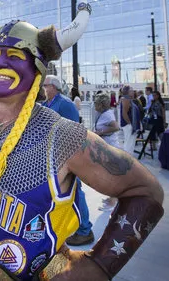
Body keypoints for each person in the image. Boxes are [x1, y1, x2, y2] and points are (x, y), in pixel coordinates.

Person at [0, 15, 164, 280]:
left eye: (13, 55)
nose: (0, 62)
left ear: (37, 69)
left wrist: (101, 264)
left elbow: (146, 190)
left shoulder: (62, 136)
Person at [43, 76, 94, 247]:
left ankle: (85, 230)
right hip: (53, 155)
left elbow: (74, 130)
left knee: (76, 190)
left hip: (67, 155)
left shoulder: (64, 103)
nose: (43, 87)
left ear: (54, 87)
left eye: (46, 85)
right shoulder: (47, 104)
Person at [93, 93, 121, 211]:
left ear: (101, 104)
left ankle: (113, 202)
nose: (94, 105)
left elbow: (116, 127)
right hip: (107, 148)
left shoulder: (108, 115)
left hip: (111, 148)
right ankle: (112, 198)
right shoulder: (104, 114)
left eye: (96, 103)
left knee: (111, 176)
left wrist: (101, 132)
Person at [119, 85, 140, 154]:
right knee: (129, 145)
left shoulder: (127, 99)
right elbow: (124, 113)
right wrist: (130, 124)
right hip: (129, 125)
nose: (133, 92)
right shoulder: (126, 99)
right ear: (127, 92)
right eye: (131, 90)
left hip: (130, 125)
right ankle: (127, 160)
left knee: (130, 144)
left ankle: (128, 160)